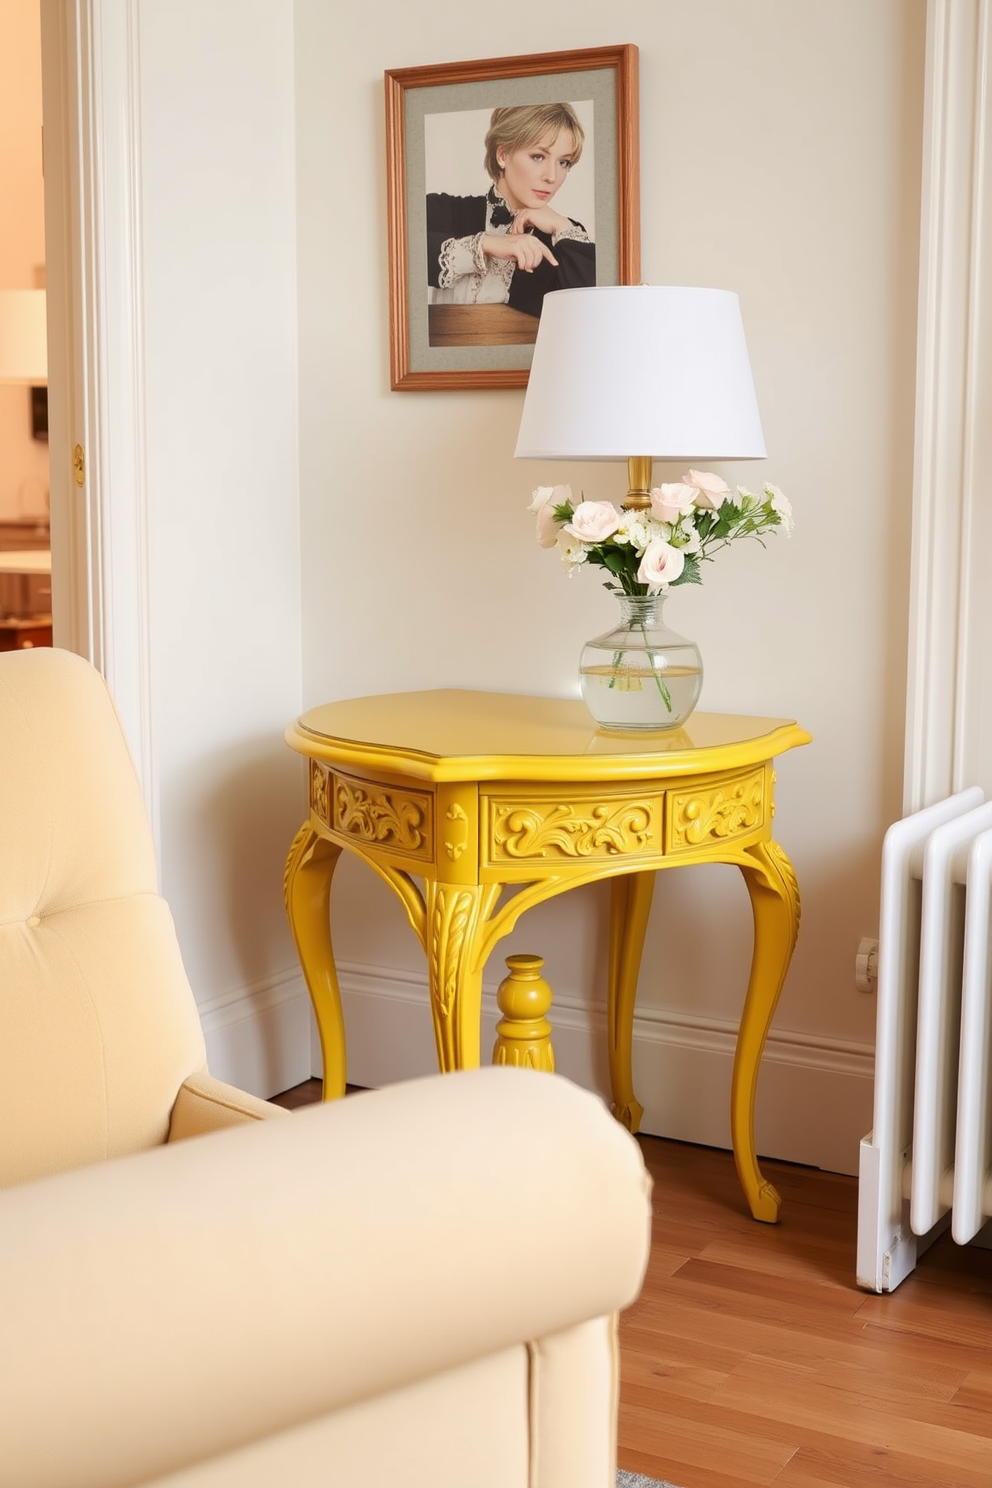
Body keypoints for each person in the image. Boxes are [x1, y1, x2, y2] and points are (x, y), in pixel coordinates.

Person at [427, 103, 595, 321]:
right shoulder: (445, 210)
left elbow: (590, 319)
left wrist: (561, 225)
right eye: (538, 156)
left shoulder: (567, 240)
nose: (552, 176)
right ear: (503, 154)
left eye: (563, 162)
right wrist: (488, 244)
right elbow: (399, 257)